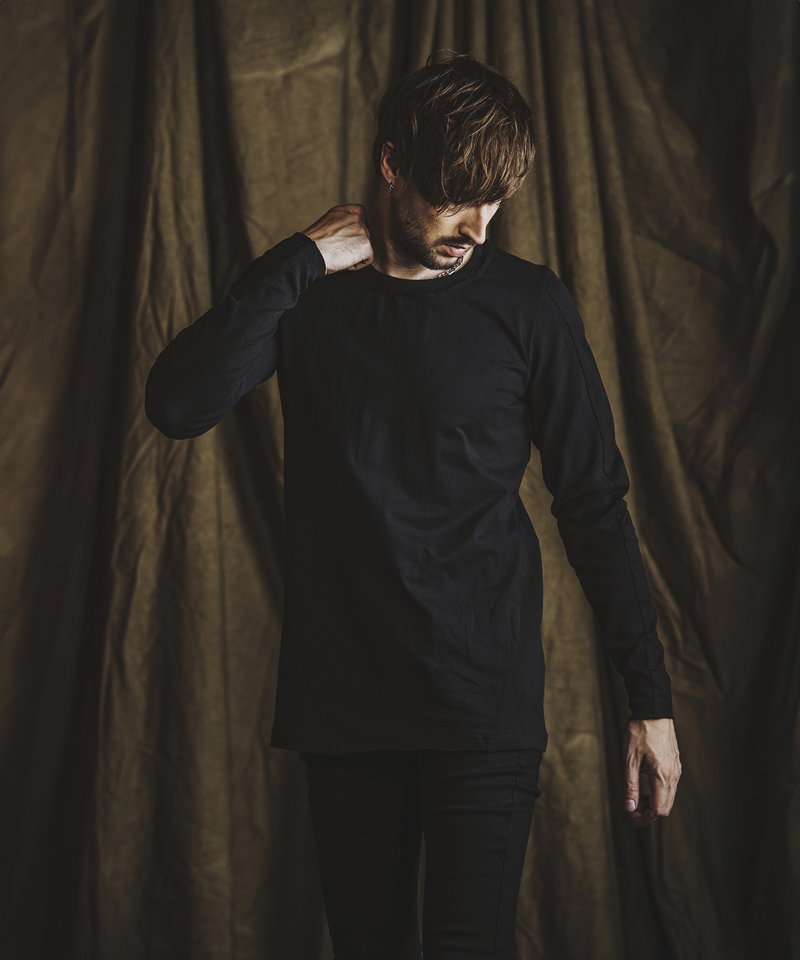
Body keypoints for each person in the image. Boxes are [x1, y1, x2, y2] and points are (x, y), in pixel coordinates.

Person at [145, 50, 681, 960]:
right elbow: (176, 404)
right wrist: (301, 257)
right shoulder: (311, 298)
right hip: (344, 707)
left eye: (493, 203)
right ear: (392, 163)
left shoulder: (529, 306)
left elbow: (594, 502)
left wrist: (650, 698)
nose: (476, 227)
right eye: (455, 198)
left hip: (480, 708)